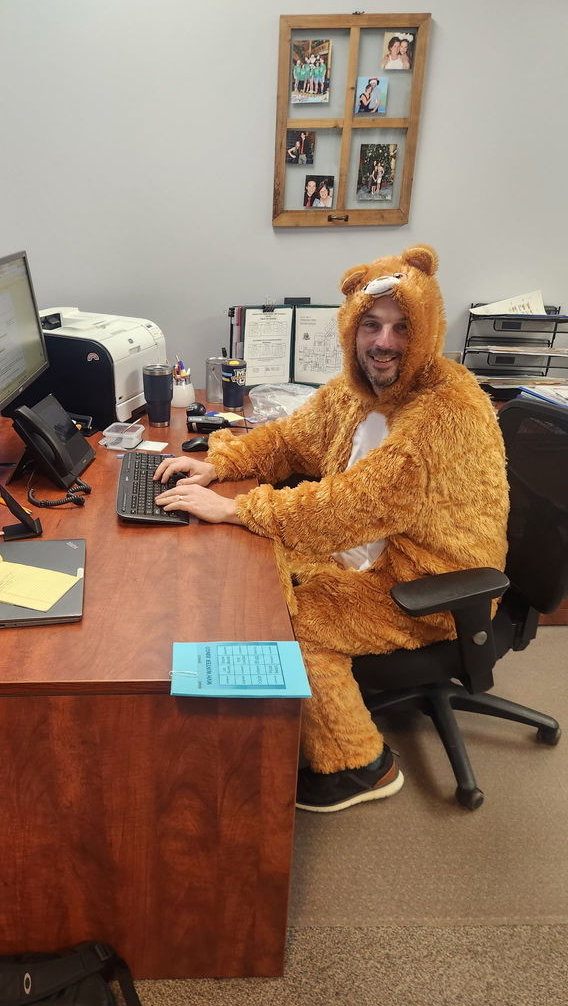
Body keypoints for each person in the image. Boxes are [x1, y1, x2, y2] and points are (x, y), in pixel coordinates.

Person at [154, 245, 509, 813]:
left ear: (426, 330)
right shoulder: (356, 389)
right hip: (368, 552)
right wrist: (220, 465)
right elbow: (290, 438)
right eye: (371, 325)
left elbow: (353, 507)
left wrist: (238, 509)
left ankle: (361, 766)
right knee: (245, 580)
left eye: (401, 327)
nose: (384, 342)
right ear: (352, 329)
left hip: (431, 586)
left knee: (294, 624)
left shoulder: (445, 409)